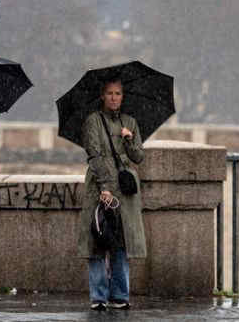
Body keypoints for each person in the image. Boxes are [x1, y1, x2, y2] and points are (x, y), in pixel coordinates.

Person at [77, 79, 145, 310]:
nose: (114, 97)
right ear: (102, 96)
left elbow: (138, 157)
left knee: (121, 242)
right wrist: (104, 186)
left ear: (123, 97)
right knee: (98, 238)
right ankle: (98, 296)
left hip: (125, 189)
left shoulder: (131, 122)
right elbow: (94, 155)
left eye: (118, 93)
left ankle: (120, 295)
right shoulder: (93, 121)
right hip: (99, 185)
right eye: (110, 93)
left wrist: (128, 138)